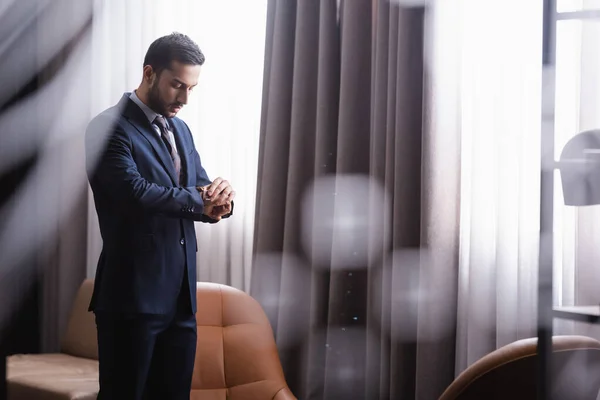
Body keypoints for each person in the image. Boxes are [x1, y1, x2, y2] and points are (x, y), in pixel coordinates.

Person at [85, 32, 235, 400]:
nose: (184, 99)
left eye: (191, 88)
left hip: (181, 297)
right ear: (149, 73)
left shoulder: (180, 129)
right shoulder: (108, 127)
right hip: (131, 296)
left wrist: (220, 202)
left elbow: (197, 188)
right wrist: (199, 201)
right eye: (177, 85)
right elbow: (134, 193)